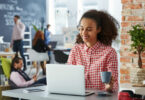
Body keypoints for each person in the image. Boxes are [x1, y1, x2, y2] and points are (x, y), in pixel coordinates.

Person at [67, 10, 119, 92]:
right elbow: (68, 75)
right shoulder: (76, 50)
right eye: (81, 29)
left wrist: (109, 87)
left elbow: (114, 84)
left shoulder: (109, 52)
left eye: (89, 29)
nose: (84, 33)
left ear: (98, 29)